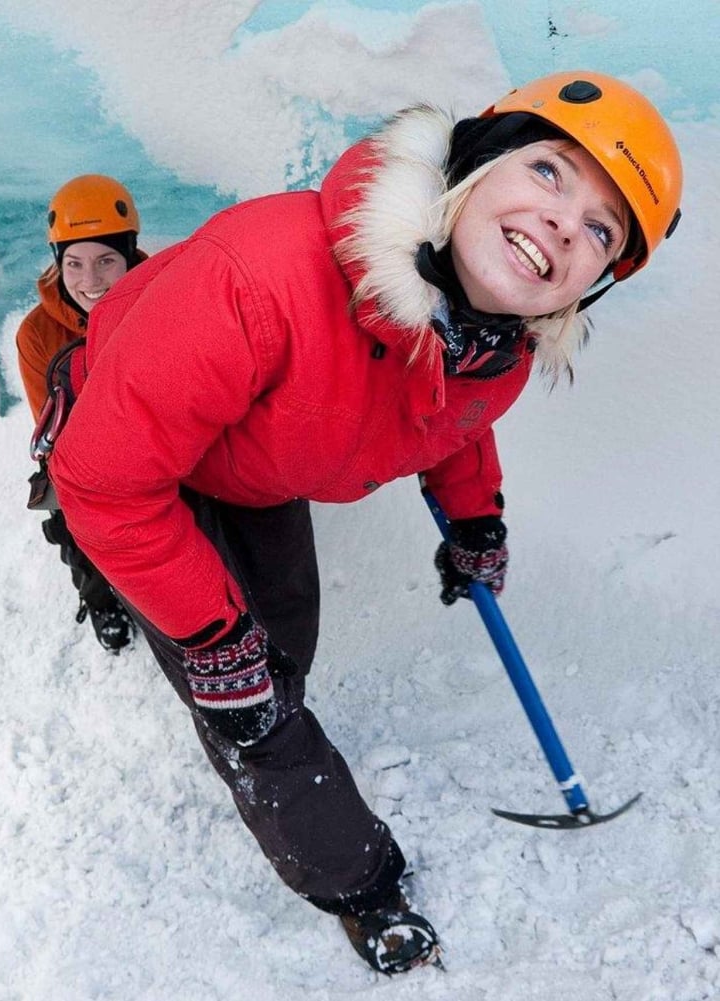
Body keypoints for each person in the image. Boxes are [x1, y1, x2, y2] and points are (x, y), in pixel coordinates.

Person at [47, 72, 682, 973]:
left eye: (601, 230)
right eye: (549, 172)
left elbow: (449, 417)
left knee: (279, 654)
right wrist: (215, 638)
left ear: (593, 284)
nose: (563, 224)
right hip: (133, 459)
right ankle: (360, 883)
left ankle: (222, 660)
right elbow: (107, 479)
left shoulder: (491, 347)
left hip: (254, 462)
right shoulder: (261, 281)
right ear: (475, 162)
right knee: (250, 701)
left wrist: (476, 523)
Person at [16, 174, 147, 653]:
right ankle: (98, 596)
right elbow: (52, 431)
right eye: (74, 263)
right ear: (58, 263)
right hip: (87, 460)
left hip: (160, 449)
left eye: (105, 261)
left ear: (129, 255)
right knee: (72, 507)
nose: (89, 281)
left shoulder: (160, 302)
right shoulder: (37, 334)